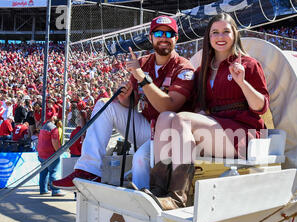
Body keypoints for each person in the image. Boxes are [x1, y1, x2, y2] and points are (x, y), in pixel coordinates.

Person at [53, 15, 195, 191]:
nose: (164, 37)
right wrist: (125, 99)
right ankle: (89, 170)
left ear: (176, 38)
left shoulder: (184, 67)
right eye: (158, 33)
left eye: (169, 33)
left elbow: (169, 106)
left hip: (170, 135)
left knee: (140, 158)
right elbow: (132, 103)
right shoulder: (143, 62)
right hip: (147, 128)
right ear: (150, 38)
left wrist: (141, 77)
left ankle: (144, 200)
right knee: (105, 104)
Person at [144, 13, 270, 210]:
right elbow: (200, 106)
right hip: (215, 130)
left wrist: (242, 82)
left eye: (226, 31)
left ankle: (177, 197)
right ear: (208, 37)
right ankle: (157, 190)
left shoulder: (248, 64)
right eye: (215, 32)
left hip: (243, 134)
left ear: (235, 34)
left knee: (183, 120)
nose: (220, 37)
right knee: (166, 117)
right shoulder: (203, 69)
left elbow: (261, 107)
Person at [37, 115, 65, 196]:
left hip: (41, 153)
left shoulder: (43, 127)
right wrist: (59, 151)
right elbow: (55, 141)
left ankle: (43, 189)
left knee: (43, 172)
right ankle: (55, 191)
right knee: (54, 172)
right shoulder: (54, 129)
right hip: (50, 154)